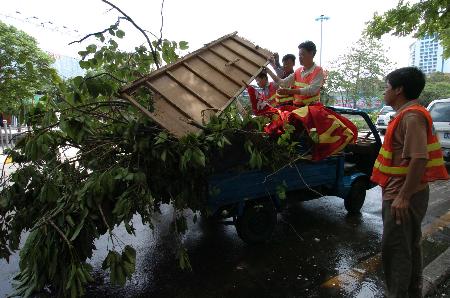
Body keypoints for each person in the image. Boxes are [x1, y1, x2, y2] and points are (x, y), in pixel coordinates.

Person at [371, 67, 449, 297]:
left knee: (396, 252)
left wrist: (403, 197)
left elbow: (419, 158)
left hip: (402, 195)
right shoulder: (409, 114)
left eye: (386, 87)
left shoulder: (411, 116)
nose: (384, 92)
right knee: (408, 248)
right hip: (404, 193)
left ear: (399, 89)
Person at [266, 41, 324, 107]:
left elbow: (312, 90)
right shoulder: (297, 71)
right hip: (297, 108)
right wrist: (268, 71)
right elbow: (283, 83)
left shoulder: (318, 70)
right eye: (299, 55)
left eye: (302, 55)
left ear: (311, 54)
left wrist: (290, 91)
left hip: (312, 110)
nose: (299, 57)